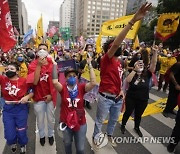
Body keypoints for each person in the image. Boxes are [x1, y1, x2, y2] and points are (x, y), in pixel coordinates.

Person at [92, 2, 152, 148]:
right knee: (100, 120)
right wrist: (133, 21)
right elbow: (117, 44)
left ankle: (110, 135)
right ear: (110, 48)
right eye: (117, 45)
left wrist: (120, 91)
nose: (122, 45)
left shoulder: (119, 62)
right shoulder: (106, 58)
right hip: (105, 98)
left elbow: (119, 78)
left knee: (113, 121)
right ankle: (96, 137)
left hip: (117, 98)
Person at [52, 56, 96, 154]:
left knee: (80, 149)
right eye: (69, 76)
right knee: (67, 145)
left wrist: (89, 65)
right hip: (66, 122)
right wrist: (55, 65)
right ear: (66, 78)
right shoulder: (63, 88)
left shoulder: (81, 88)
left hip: (80, 122)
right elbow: (55, 82)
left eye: (74, 75)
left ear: (77, 77)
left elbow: (93, 83)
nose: (72, 77)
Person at [120, 46, 157, 137]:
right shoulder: (133, 73)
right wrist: (135, 70)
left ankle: (136, 127)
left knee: (139, 115)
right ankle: (123, 125)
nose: (140, 65)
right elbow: (128, 80)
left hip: (143, 98)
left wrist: (155, 53)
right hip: (131, 98)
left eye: (141, 64)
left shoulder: (147, 73)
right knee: (128, 112)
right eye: (138, 64)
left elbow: (153, 64)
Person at [0, 63, 33, 154]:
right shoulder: (3, 79)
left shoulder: (24, 81)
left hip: (21, 109)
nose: (8, 70)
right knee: (9, 133)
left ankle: (23, 144)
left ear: (17, 71)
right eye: (6, 69)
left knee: (21, 131)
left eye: (11, 68)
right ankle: (13, 142)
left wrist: (27, 97)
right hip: (8, 110)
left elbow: (32, 91)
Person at [28, 43, 57, 146]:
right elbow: (34, 82)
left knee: (51, 119)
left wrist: (51, 95)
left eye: (44, 49)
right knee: (40, 119)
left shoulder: (52, 64)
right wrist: (39, 66)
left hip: (50, 97)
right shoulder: (32, 65)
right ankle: (41, 136)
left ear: (48, 52)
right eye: (40, 49)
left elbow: (56, 82)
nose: (42, 51)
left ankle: (50, 135)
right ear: (37, 51)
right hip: (38, 98)